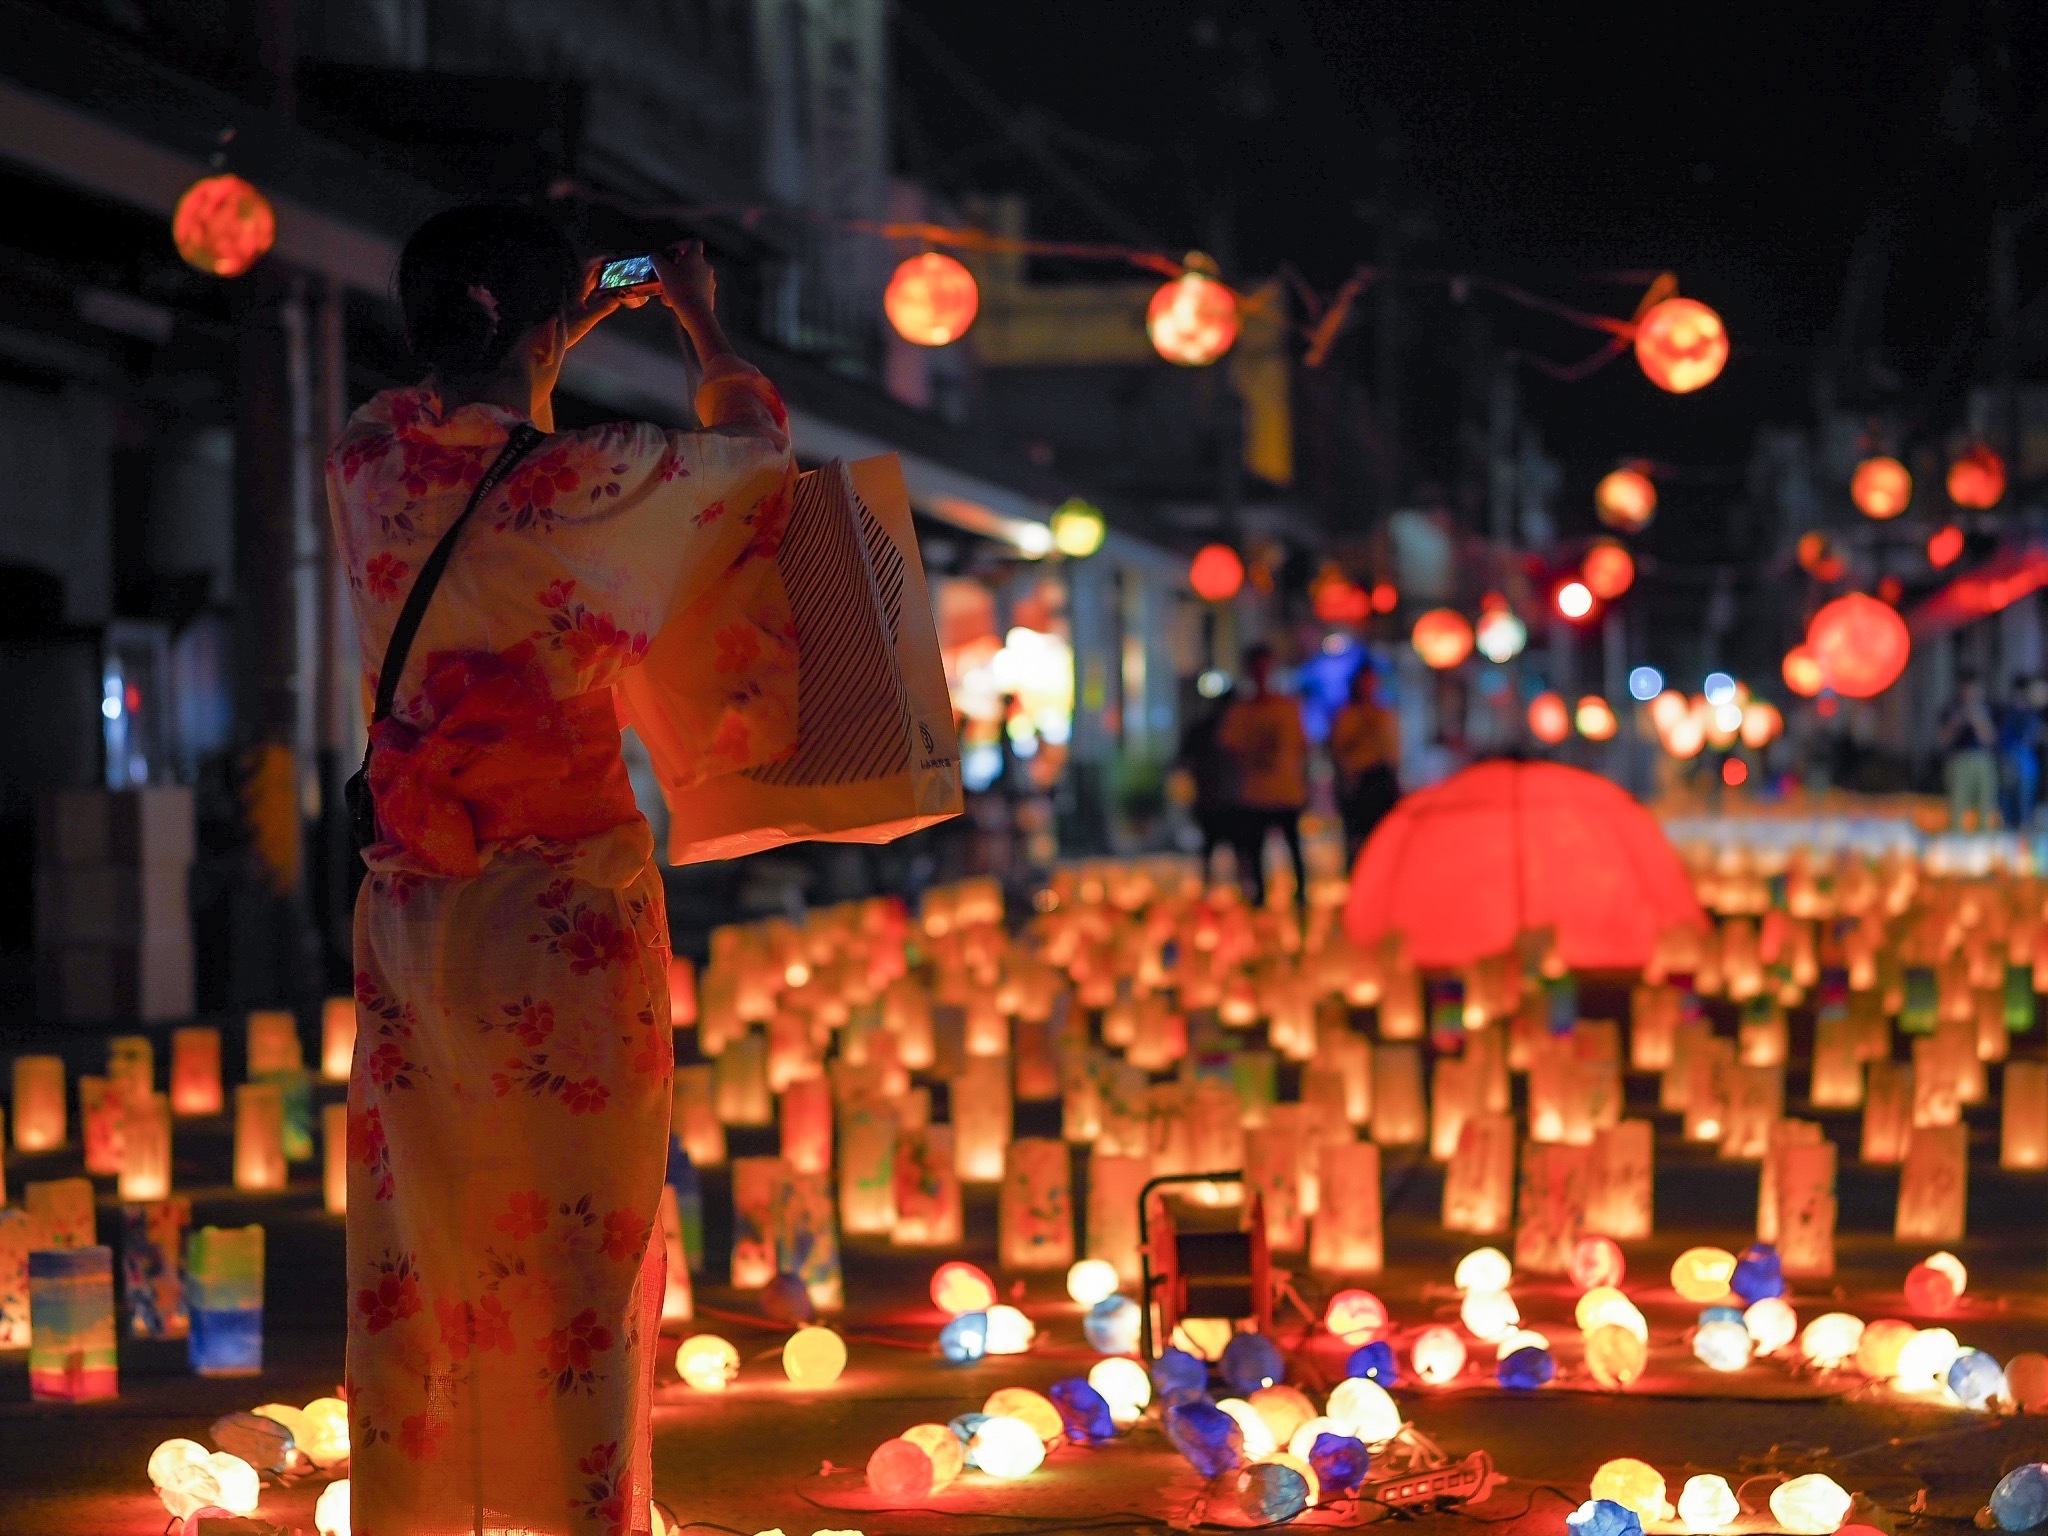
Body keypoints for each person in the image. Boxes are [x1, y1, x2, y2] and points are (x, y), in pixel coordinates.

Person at [329, 204, 793, 1532]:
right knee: (583, 1248)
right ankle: (578, 1513)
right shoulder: (587, 479)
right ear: (549, 328)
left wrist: (544, 323)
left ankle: (421, 1511)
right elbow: (758, 463)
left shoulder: (366, 458)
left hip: (414, 903)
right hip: (563, 910)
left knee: (420, 1240)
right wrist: (698, 317)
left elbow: (458, 406)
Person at [1218, 644, 1308, 906]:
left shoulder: (1287, 708)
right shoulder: (1240, 713)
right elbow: (1229, 753)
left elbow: (1301, 749)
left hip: (1286, 791)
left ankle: (1300, 903)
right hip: (1253, 794)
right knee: (1254, 856)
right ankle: (1258, 906)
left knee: (1294, 854)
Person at [1329, 662, 1401, 863]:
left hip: (1380, 781)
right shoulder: (1346, 716)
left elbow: (1393, 751)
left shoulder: (1384, 714)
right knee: (1357, 841)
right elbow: (1339, 752)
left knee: (1383, 839)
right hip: (1356, 784)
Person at [1171, 679, 1240, 884]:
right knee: (1220, 848)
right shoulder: (1207, 730)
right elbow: (1182, 761)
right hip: (1215, 797)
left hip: (1227, 798)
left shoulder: (1236, 730)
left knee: (1228, 848)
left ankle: (1231, 891)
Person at [1939, 671, 2000, 831]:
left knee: (1985, 802)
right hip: (1960, 758)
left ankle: (1984, 840)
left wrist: (1977, 720)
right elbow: (1944, 740)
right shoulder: (1951, 708)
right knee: (1958, 803)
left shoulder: (1987, 708)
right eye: (1966, 688)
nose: (1970, 692)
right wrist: (1956, 722)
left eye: (1973, 689)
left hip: (1982, 759)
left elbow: (1990, 739)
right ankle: (1956, 838)